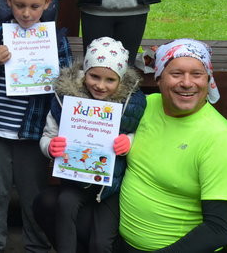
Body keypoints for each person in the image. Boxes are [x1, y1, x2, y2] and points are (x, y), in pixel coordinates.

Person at [0, 0, 73, 253]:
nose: (27, 13)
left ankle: (37, 247)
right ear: (8, 0)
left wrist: (55, 74)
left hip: (32, 134)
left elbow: (68, 84)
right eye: (20, 5)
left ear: (47, 3)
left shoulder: (55, 39)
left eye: (34, 6)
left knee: (33, 196)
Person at [118, 39, 227, 252]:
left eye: (197, 74)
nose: (187, 83)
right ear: (158, 78)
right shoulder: (146, 106)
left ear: (208, 79)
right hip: (117, 240)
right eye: (176, 74)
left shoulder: (222, 141)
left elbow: (218, 229)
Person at [34, 37, 146, 253]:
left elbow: (141, 133)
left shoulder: (132, 103)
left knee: (101, 242)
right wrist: (50, 147)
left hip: (111, 186)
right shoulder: (65, 98)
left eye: (110, 80)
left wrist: (129, 141)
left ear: (121, 80)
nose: (100, 85)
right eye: (94, 76)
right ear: (85, 72)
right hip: (76, 179)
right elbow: (48, 135)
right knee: (64, 204)